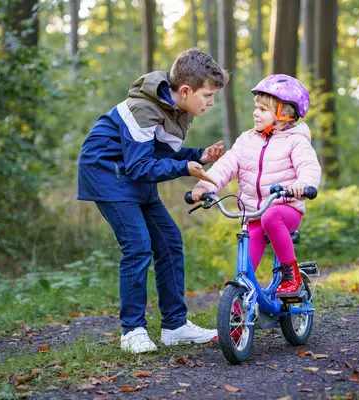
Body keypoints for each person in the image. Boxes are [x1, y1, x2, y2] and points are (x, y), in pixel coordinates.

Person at [77, 48, 227, 354]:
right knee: (137, 246)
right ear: (185, 90)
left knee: (169, 242)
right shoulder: (141, 110)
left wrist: (198, 155)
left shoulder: (181, 109)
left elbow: (160, 152)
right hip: (108, 174)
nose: (210, 103)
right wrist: (185, 167)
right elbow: (140, 166)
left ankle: (175, 326)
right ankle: (132, 330)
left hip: (133, 175)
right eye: (208, 95)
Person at [191, 74, 321, 298]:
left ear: (285, 114)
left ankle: (292, 276)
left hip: (284, 209)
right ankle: (241, 309)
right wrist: (205, 186)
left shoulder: (296, 141)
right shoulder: (246, 140)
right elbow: (226, 165)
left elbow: (309, 167)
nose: (255, 113)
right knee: (245, 267)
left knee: (271, 217)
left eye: (262, 109)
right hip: (253, 213)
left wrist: (303, 184)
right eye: (256, 108)